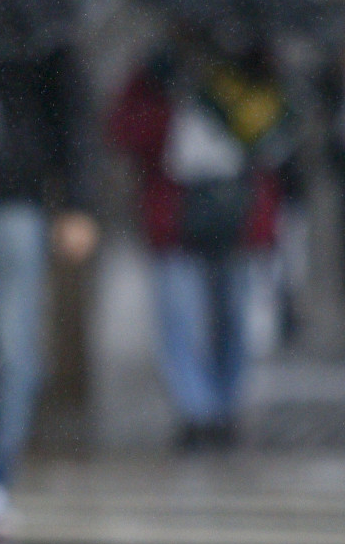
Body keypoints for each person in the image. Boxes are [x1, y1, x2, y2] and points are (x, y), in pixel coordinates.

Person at [108, 33, 293, 449]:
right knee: (178, 316)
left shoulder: (256, 66)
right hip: (173, 213)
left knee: (234, 311)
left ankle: (226, 407)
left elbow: (281, 131)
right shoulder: (158, 69)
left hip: (239, 212)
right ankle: (195, 410)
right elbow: (124, 127)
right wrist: (171, 109)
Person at [0, 43, 101, 537]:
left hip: (11, 199)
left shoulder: (39, 22)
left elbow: (74, 113)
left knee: (10, 344)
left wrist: (79, 202)